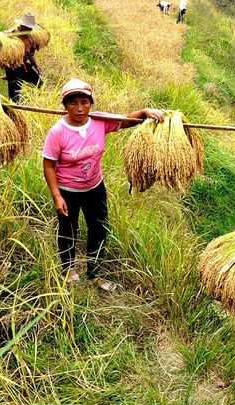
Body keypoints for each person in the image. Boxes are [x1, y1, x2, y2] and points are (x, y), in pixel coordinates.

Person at [41, 78, 165, 291]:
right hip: (68, 190)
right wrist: (57, 196)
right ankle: (69, 269)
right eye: (73, 103)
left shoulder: (99, 121)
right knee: (68, 229)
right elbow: (49, 165)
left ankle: (94, 271)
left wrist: (145, 112)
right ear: (65, 105)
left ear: (90, 103)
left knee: (99, 229)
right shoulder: (57, 132)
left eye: (84, 102)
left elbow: (126, 121)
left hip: (94, 189)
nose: (80, 109)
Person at [4, 12, 44, 103]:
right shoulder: (11, 36)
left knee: (39, 84)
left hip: (24, 66)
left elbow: (30, 55)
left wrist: (36, 66)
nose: (30, 30)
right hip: (13, 67)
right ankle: (14, 110)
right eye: (28, 28)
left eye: (30, 28)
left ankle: (38, 103)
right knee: (15, 94)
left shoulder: (30, 38)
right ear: (22, 26)